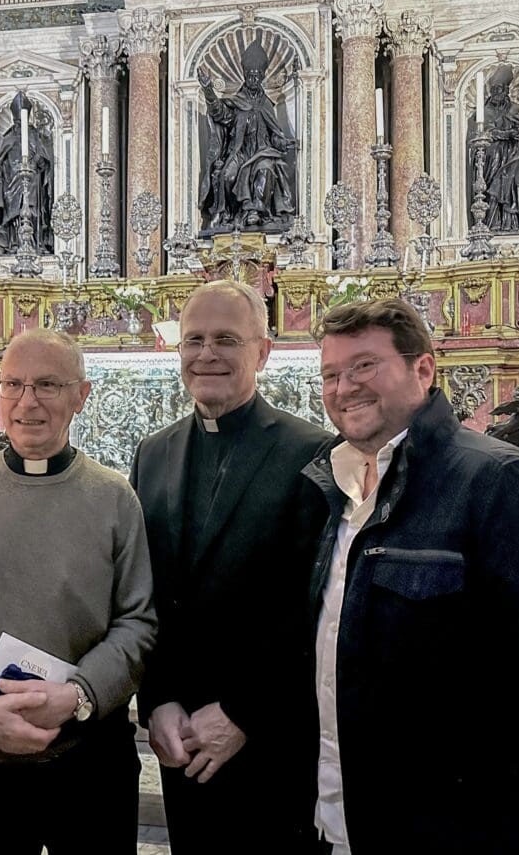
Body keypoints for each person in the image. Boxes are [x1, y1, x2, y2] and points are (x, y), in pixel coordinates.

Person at [305, 298, 519, 854]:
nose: (345, 386)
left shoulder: (500, 480)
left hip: (460, 830)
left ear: (423, 369)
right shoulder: (332, 486)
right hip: (348, 819)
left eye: (365, 366)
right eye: (331, 373)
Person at [0, 329, 156, 854]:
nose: (27, 402)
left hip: (88, 760)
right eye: (13, 385)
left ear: (80, 396)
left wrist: (80, 695)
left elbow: (137, 621)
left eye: (47, 385)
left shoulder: (113, 497)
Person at [130, 280, 331, 853]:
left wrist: (244, 713)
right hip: (181, 737)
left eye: (225, 339)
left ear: (262, 352)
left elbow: (313, 604)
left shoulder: (311, 451)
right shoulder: (154, 451)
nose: (207, 354)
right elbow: (147, 590)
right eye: (194, 340)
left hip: (269, 736)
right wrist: (158, 701)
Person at [197, 40, 296, 233]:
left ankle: (255, 211)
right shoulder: (236, 102)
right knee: (227, 175)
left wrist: (282, 143)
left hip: (263, 152)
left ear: (262, 77)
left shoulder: (266, 104)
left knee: (265, 169)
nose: (253, 79)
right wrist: (208, 90)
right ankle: (227, 214)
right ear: (244, 75)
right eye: (250, 75)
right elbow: (219, 114)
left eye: (257, 75)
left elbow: (274, 134)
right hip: (239, 152)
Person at [478, 63, 519, 233]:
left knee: (518, 185)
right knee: (494, 188)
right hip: (494, 157)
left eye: (499, 89)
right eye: (494, 89)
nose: (496, 93)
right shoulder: (484, 111)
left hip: (514, 155)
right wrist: (508, 134)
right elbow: (486, 132)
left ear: (506, 90)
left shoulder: (515, 108)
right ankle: (493, 224)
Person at [0, 90, 54, 257]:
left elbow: (44, 158)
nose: (20, 125)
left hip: (33, 180)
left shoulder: (36, 135)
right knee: (14, 213)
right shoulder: (8, 138)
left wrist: (39, 162)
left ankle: (36, 242)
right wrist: (3, 174)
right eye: (17, 121)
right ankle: (14, 242)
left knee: (33, 209)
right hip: (11, 182)